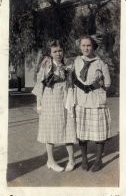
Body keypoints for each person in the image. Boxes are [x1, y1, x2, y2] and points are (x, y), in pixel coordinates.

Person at [32, 40, 76, 172]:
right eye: (55, 51)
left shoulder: (68, 64)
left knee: (69, 128)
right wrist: (38, 104)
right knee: (50, 129)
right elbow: (40, 85)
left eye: (60, 50)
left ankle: (72, 159)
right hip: (50, 100)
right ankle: (50, 161)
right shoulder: (46, 65)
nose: (58, 53)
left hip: (65, 99)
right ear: (50, 53)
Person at [71, 35, 111, 172]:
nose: (86, 48)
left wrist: (99, 84)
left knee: (99, 132)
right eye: (83, 45)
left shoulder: (100, 63)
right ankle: (84, 159)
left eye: (89, 45)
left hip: (96, 102)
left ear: (93, 46)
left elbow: (107, 83)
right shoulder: (76, 61)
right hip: (81, 102)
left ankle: (99, 160)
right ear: (80, 47)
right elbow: (70, 75)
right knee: (82, 133)